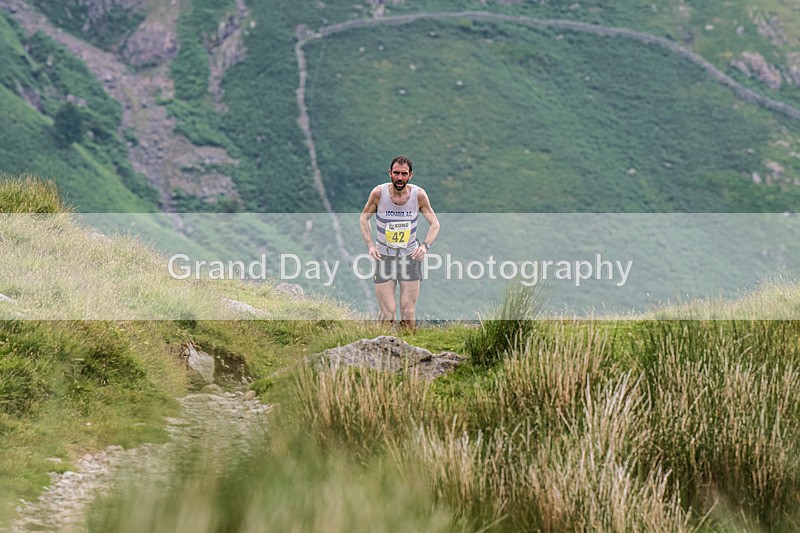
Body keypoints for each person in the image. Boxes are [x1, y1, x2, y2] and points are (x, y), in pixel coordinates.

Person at [359, 156, 440, 330]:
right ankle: (383, 350)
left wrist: (425, 246)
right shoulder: (378, 193)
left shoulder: (418, 195)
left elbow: (435, 224)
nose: (400, 178)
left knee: (408, 313)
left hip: (410, 257)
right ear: (390, 173)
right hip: (384, 257)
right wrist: (370, 245)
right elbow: (364, 219)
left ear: (410, 175)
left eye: (404, 174)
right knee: (388, 314)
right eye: (396, 173)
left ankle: (409, 353)